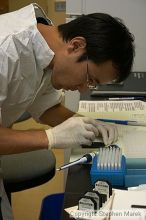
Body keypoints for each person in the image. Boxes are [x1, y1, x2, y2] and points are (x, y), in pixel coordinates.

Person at [0, 3, 134, 219]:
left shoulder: (47, 50)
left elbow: (46, 108)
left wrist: (89, 124)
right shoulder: (5, 51)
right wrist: (51, 137)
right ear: (76, 45)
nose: (83, 89)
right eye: (89, 79)